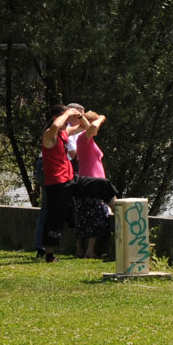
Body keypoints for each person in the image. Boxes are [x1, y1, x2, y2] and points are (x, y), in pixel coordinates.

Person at [38, 104, 117, 262]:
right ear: (58, 117)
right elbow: (55, 125)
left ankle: (121, 216)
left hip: (71, 179)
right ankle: (49, 254)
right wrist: (67, 113)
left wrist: (80, 117)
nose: (68, 122)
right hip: (57, 184)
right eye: (66, 119)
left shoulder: (64, 133)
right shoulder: (49, 135)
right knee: (56, 218)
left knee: (103, 184)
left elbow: (86, 128)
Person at [70, 109, 112, 258]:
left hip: (85, 180)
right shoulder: (83, 138)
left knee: (83, 216)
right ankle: (90, 251)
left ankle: (81, 250)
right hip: (93, 182)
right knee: (98, 215)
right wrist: (101, 118)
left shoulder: (85, 140)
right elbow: (93, 128)